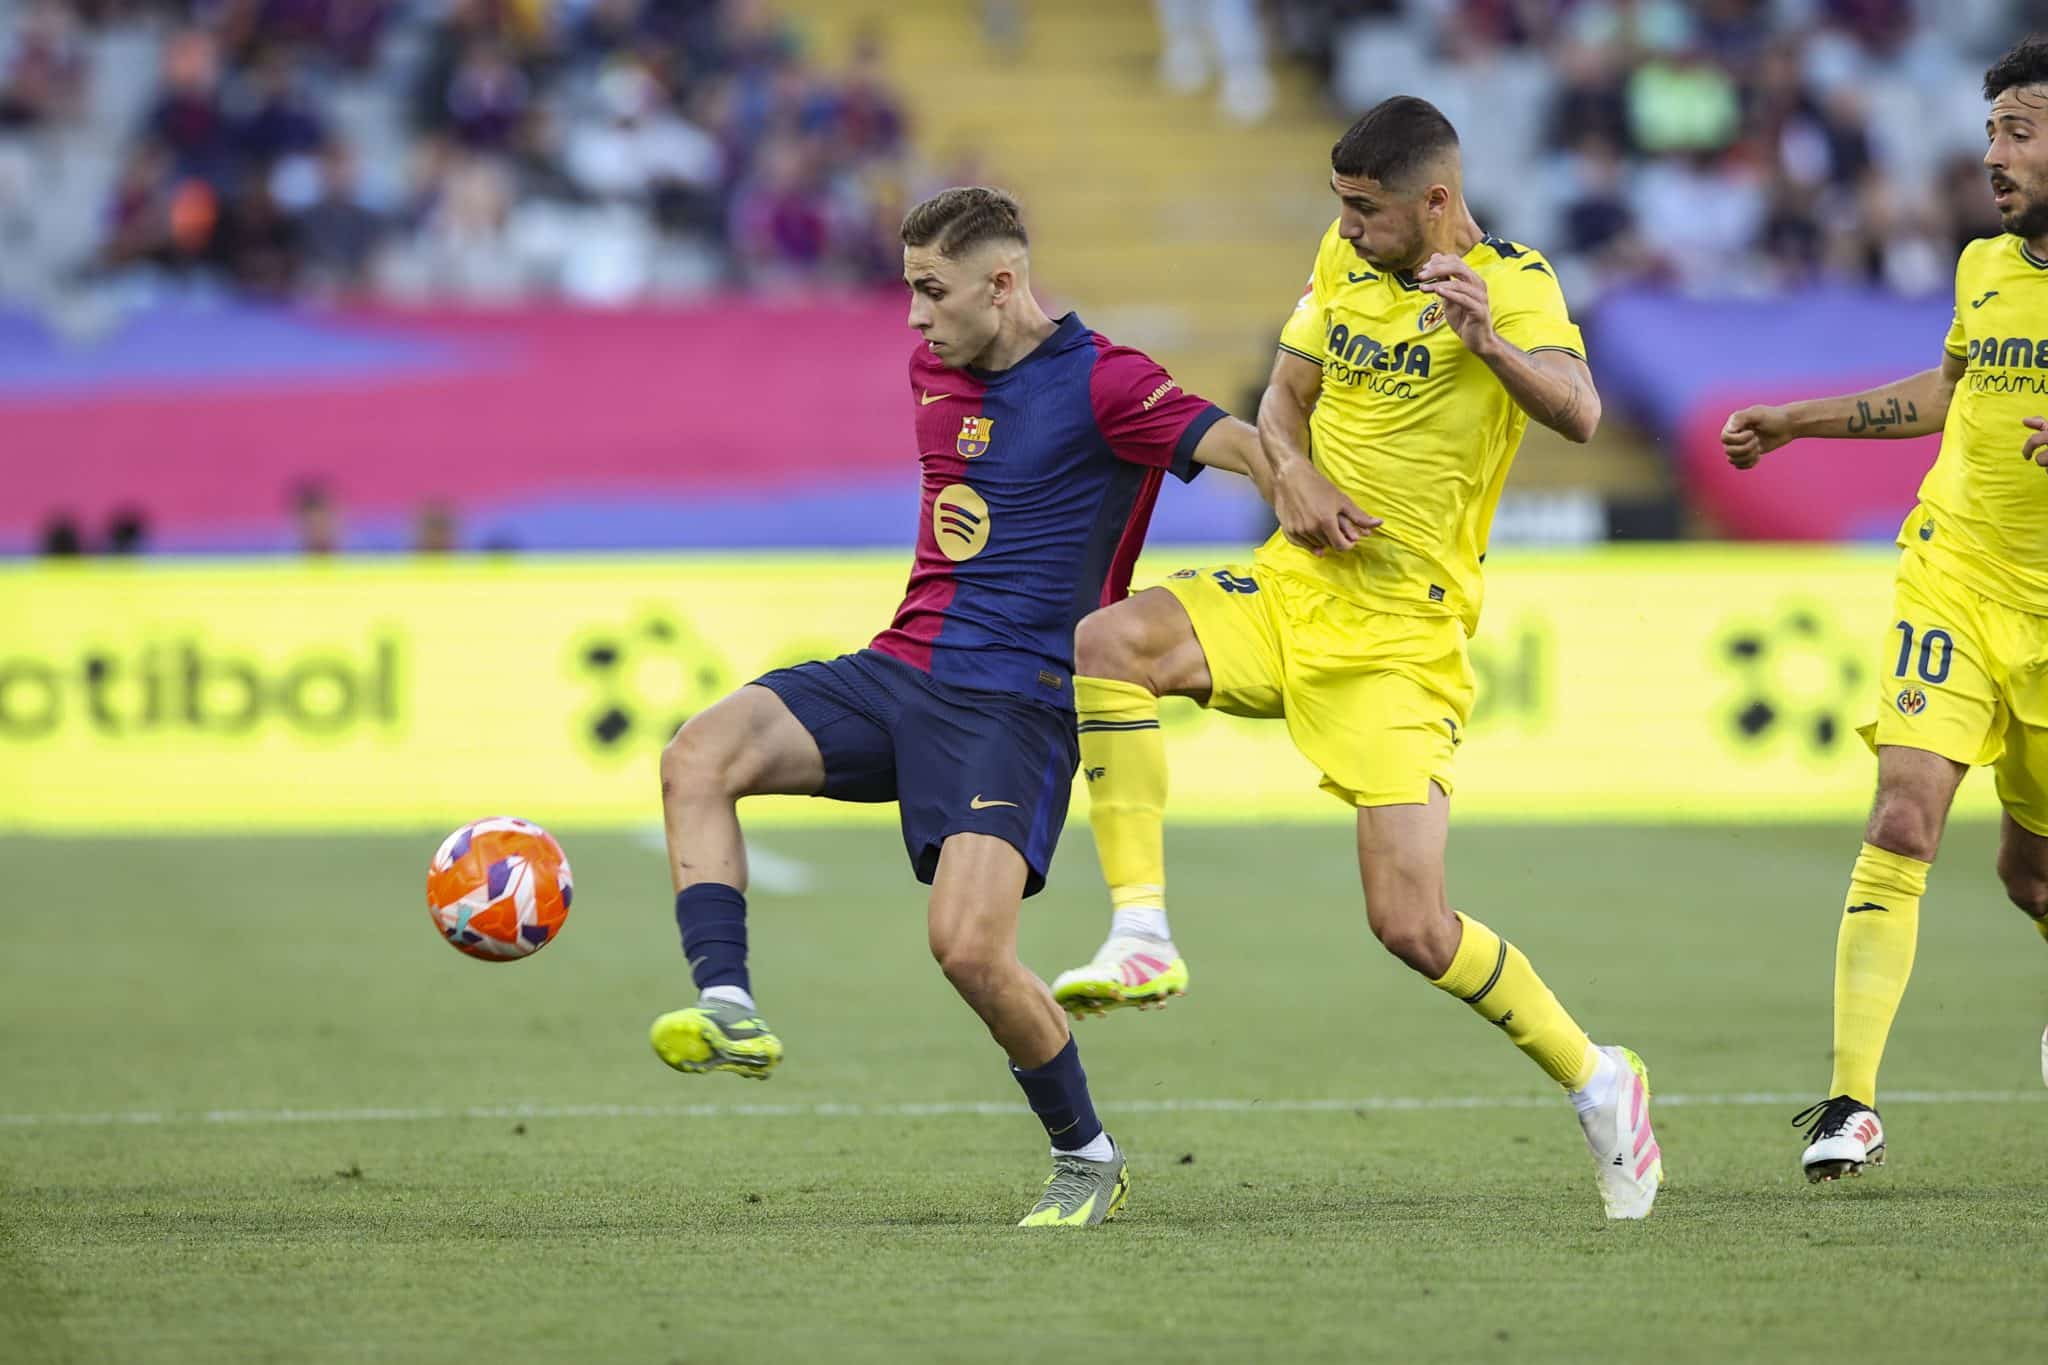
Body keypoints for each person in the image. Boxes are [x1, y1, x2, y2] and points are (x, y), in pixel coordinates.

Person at [1051, 96, 1664, 1220]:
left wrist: (1485, 340)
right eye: (1339, 205)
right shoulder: (1338, 261)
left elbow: (1577, 412)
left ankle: (1596, 1079)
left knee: (1409, 924)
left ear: (1434, 202)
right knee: (1108, 640)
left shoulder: (1514, 280)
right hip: (1292, 587)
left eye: (1364, 208)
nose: (1344, 225)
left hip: (1400, 634)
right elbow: (1281, 402)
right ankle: (1140, 931)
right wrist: (1291, 478)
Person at [649, 186, 1292, 1226]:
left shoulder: (1106, 383)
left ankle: (1085, 1153)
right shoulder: (933, 366)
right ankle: (727, 1005)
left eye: (929, 290)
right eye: (909, 290)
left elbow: (1236, 445)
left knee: (967, 950)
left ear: (1002, 284)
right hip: (900, 672)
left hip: (1015, 709)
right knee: (697, 756)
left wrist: (1302, 489)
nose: (912, 317)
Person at [1720, 37, 2048, 1183]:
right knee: (1902, 818)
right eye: (1990, 131)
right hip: (1951, 575)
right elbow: (1952, 393)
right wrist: (1797, 418)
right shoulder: (1980, 266)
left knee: (2029, 875)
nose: (1991, 155)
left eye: (2017, 130)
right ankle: (1847, 1103)